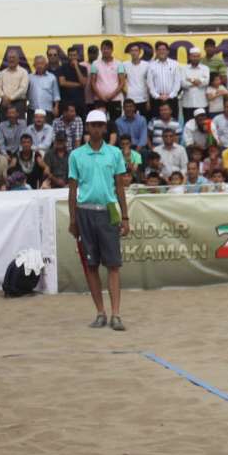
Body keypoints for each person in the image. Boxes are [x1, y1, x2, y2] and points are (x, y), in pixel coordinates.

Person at [68, 109, 130, 330]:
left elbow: (120, 187)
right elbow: (72, 190)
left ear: (105, 128)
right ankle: (100, 312)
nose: (96, 128)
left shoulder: (114, 153)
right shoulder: (76, 155)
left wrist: (125, 216)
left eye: (99, 125)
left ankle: (116, 314)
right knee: (91, 266)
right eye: (92, 124)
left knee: (113, 265)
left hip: (109, 210)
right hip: (84, 212)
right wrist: (73, 219)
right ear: (87, 127)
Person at [146, 41, 181, 118]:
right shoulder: (151, 65)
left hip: (172, 99)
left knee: (173, 124)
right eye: (159, 49)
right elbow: (150, 83)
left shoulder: (175, 64)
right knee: (157, 124)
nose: (162, 51)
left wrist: (170, 95)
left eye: (164, 49)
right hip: (156, 100)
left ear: (168, 51)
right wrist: (157, 96)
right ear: (156, 52)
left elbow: (177, 82)